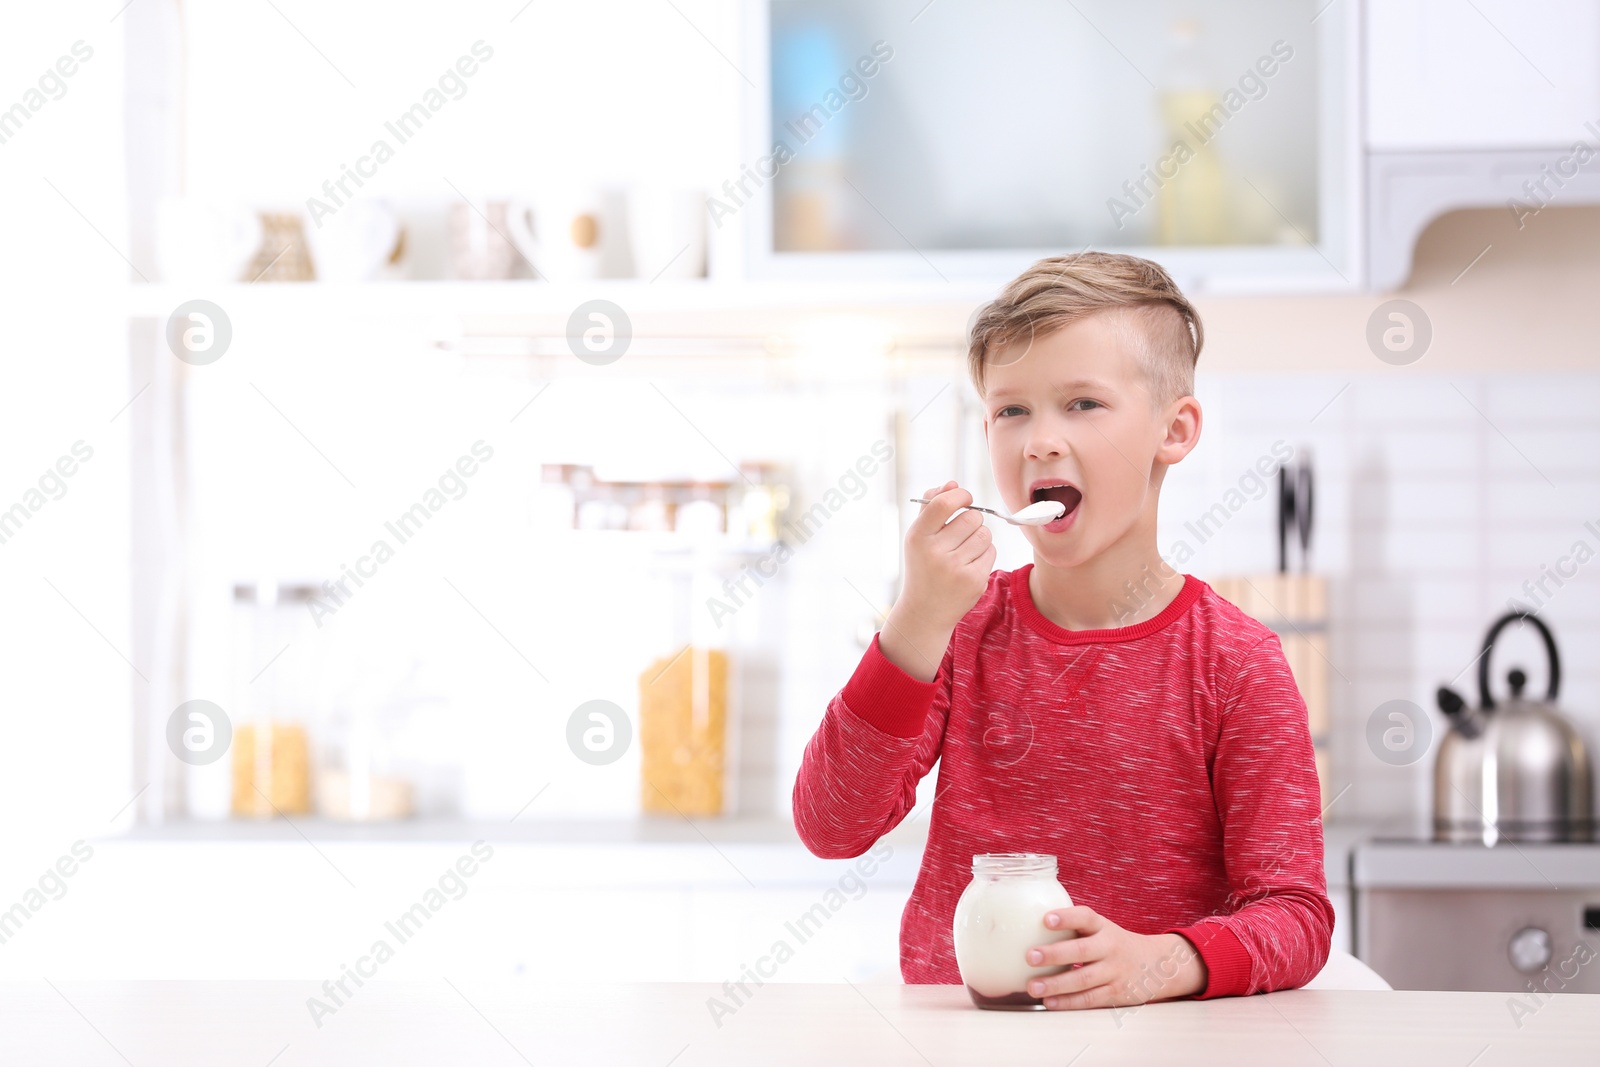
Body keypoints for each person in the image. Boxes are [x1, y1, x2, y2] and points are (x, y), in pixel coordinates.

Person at [792, 252, 1331, 1009]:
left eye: (1081, 403)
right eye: (1012, 410)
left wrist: (1166, 960)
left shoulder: (1236, 662)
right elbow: (829, 825)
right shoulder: (956, 632)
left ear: (1173, 431)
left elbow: (1296, 916)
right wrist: (914, 619)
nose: (1039, 439)